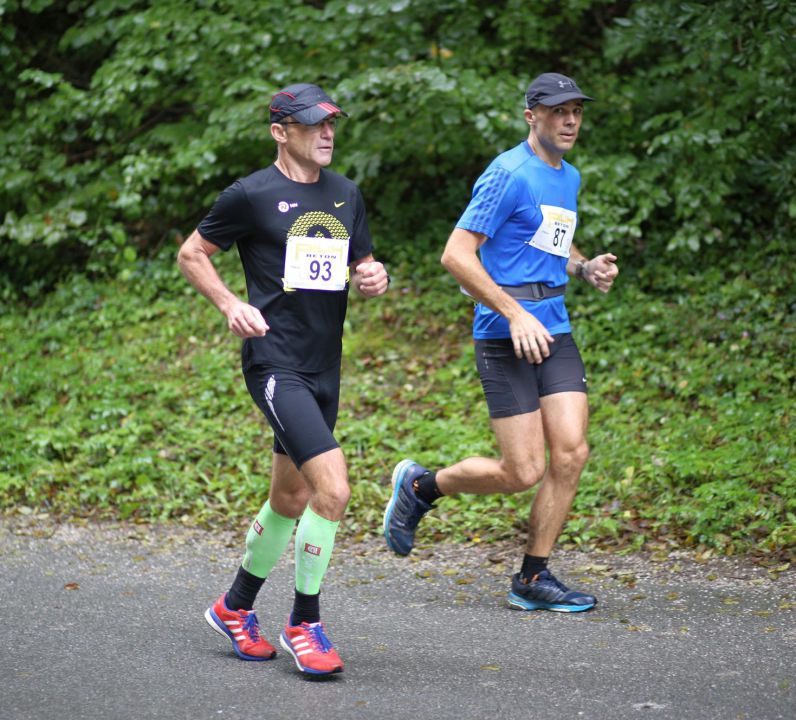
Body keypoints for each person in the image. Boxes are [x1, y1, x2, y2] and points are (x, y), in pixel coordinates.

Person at [383, 72, 618, 612]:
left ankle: (533, 578)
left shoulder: (568, 176)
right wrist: (514, 314)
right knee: (523, 471)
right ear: (531, 115)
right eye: (559, 111)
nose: (570, 120)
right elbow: (456, 255)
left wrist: (583, 267)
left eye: (577, 110)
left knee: (572, 453)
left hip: (553, 327)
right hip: (503, 332)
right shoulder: (507, 173)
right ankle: (422, 488)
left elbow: (550, 238)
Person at [178, 82, 389, 675]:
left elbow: (363, 263)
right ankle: (305, 621)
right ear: (281, 131)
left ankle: (234, 606)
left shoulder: (345, 194)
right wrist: (228, 304)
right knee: (334, 489)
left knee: (291, 496)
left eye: (332, 124)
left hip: (326, 366)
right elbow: (193, 253)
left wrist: (375, 277)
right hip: (275, 363)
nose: (327, 133)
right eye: (314, 124)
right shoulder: (250, 195)